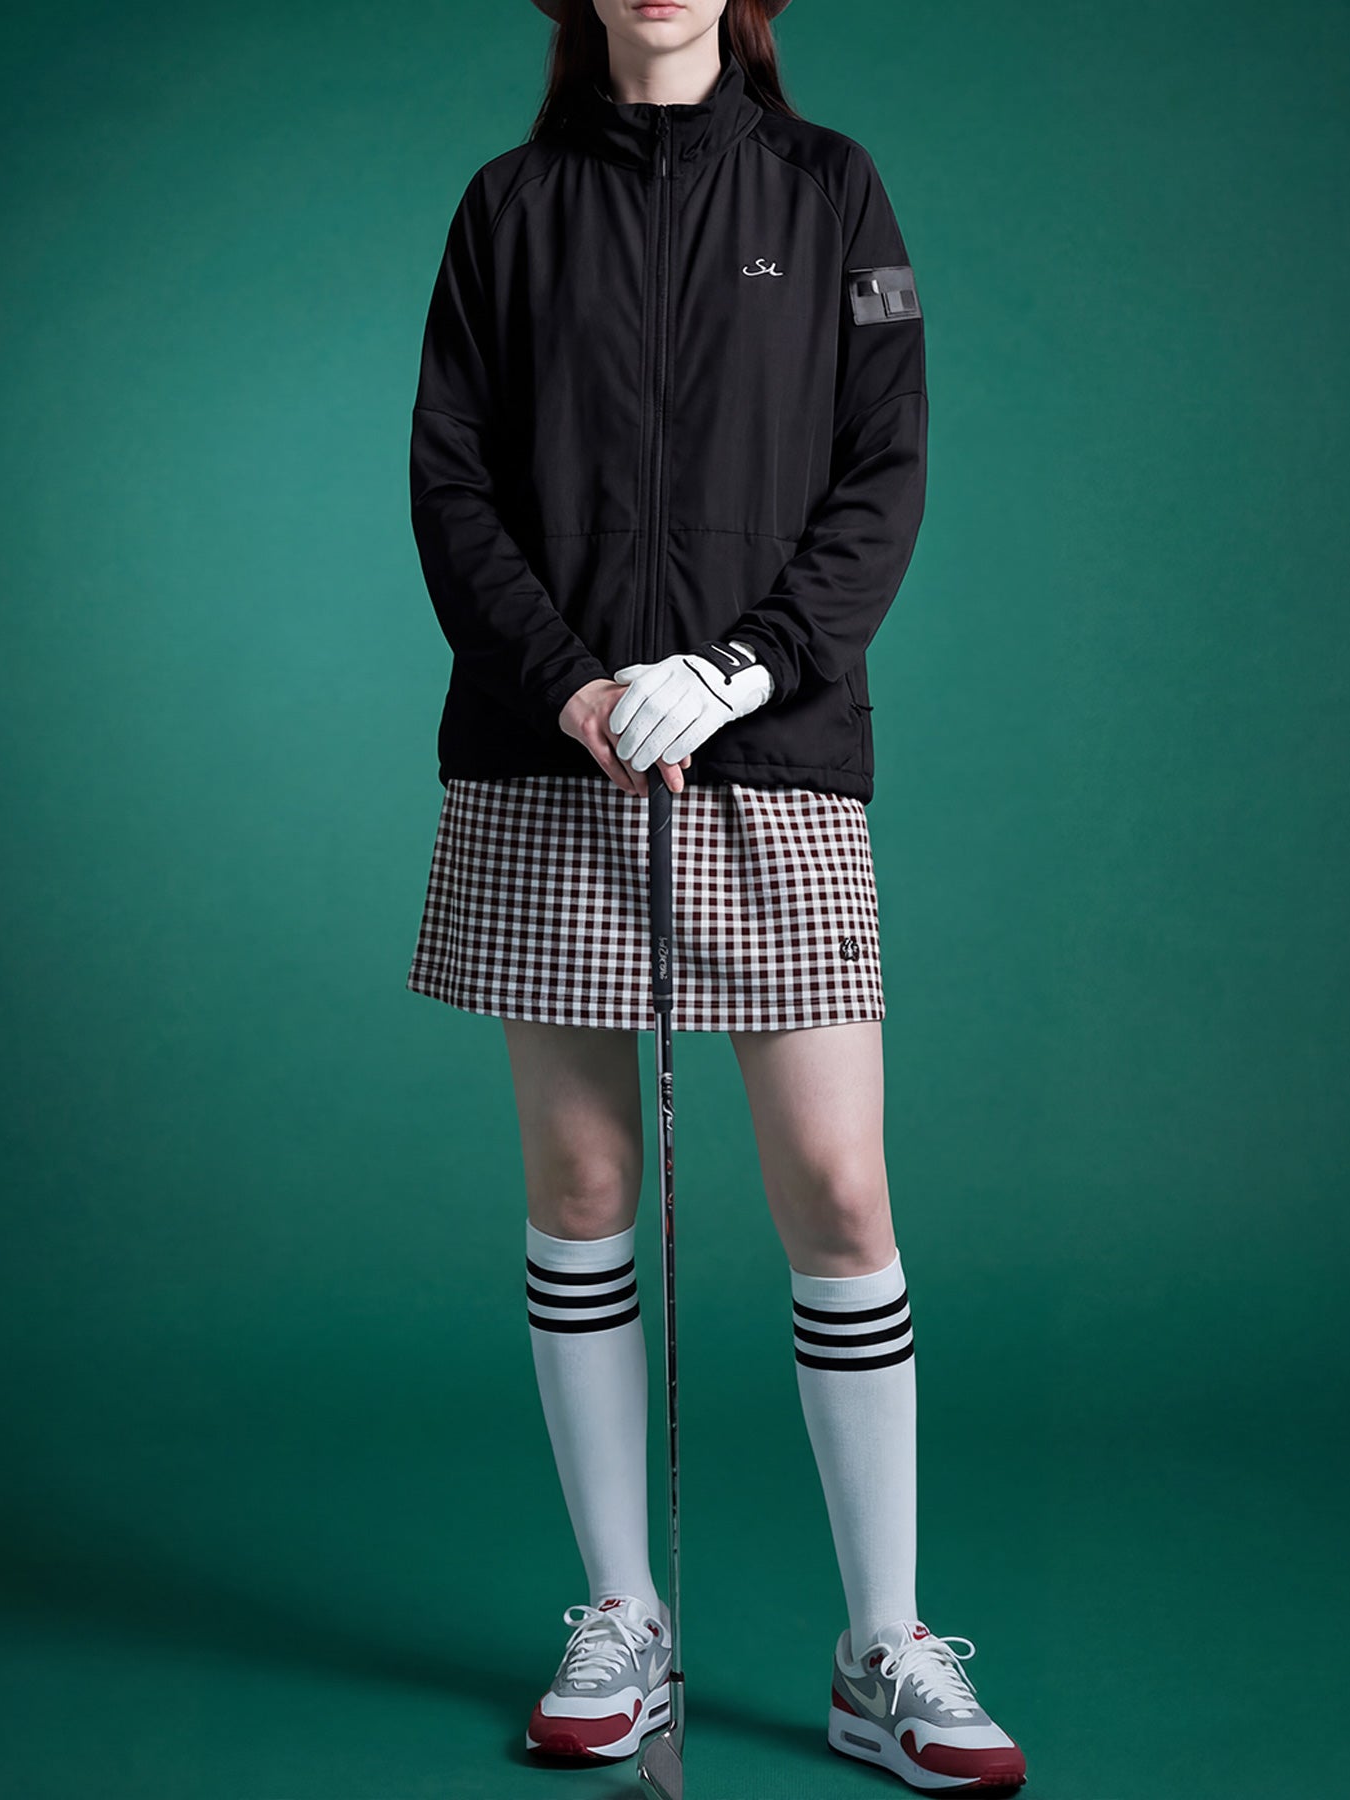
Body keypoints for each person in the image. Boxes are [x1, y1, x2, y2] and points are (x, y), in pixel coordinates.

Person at [403, 1, 1027, 1791]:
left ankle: (883, 1646)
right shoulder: (508, 205)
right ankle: (622, 1613)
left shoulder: (834, 192)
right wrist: (575, 687)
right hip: (555, 752)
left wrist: (743, 666)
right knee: (584, 1183)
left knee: (839, 1184)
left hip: (777, 747)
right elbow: (451, 483)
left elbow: (884, 469)